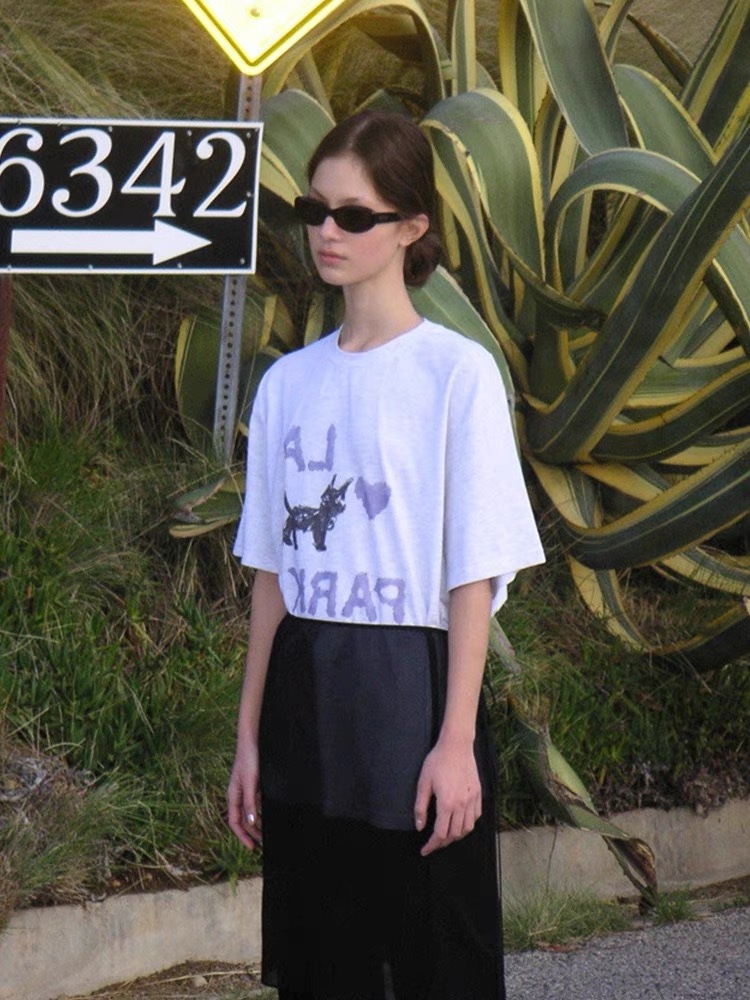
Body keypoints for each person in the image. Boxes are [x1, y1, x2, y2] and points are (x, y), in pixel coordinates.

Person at [227, 109, 545, 1000]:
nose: (326, 231)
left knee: (434, 960)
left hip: (414, 689)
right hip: (306, 695)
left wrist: (456, 743)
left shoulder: (457, 374)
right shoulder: (286, 383)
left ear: (411, 227)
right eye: (314, 210)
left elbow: (472, 574)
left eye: (354, 215)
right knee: (323, 967)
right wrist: (247, 739)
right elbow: (271, 578)